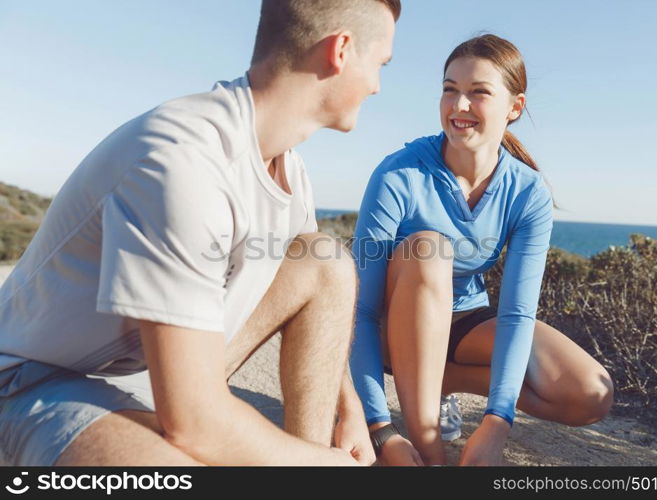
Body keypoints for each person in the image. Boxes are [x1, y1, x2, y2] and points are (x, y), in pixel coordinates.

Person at [0, 0, 400, 466]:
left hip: (167, 372)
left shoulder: (288, 165)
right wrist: (328, 467)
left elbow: (321, 296)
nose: (376, 86)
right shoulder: (181, 160)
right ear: (341, 50)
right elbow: (196, 424)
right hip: (34, 381)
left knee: (325, 260)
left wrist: (346, 412)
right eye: (380, 65)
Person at [349, 34, 614, 466]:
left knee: (587, 394)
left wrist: (496, 422)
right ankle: (428, 445)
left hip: (464, 321)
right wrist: (381, 430)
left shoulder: (528, 192)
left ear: (515, 107)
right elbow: (360, 311)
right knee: (428, 249)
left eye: (479, 93)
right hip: (388, 327)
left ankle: (431, 382)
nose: (459, 106)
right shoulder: (399, 174)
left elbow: (515, 314)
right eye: (450, 90)